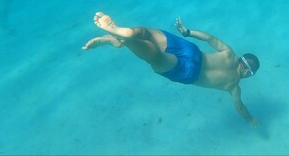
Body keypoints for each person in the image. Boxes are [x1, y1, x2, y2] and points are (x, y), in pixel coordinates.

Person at [82, 12, 260, 127]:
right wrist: (250, 119)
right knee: (155, 57)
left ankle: (121, 33)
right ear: (249, 74)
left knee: (148, 33)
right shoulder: (233, 87)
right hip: (190, 73)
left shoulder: (229, 53)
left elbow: (209, 38)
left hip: (193, 52)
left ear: (241, 59)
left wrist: (187, 32)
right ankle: (124, 39)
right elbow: (240, 107)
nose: (245, 70)